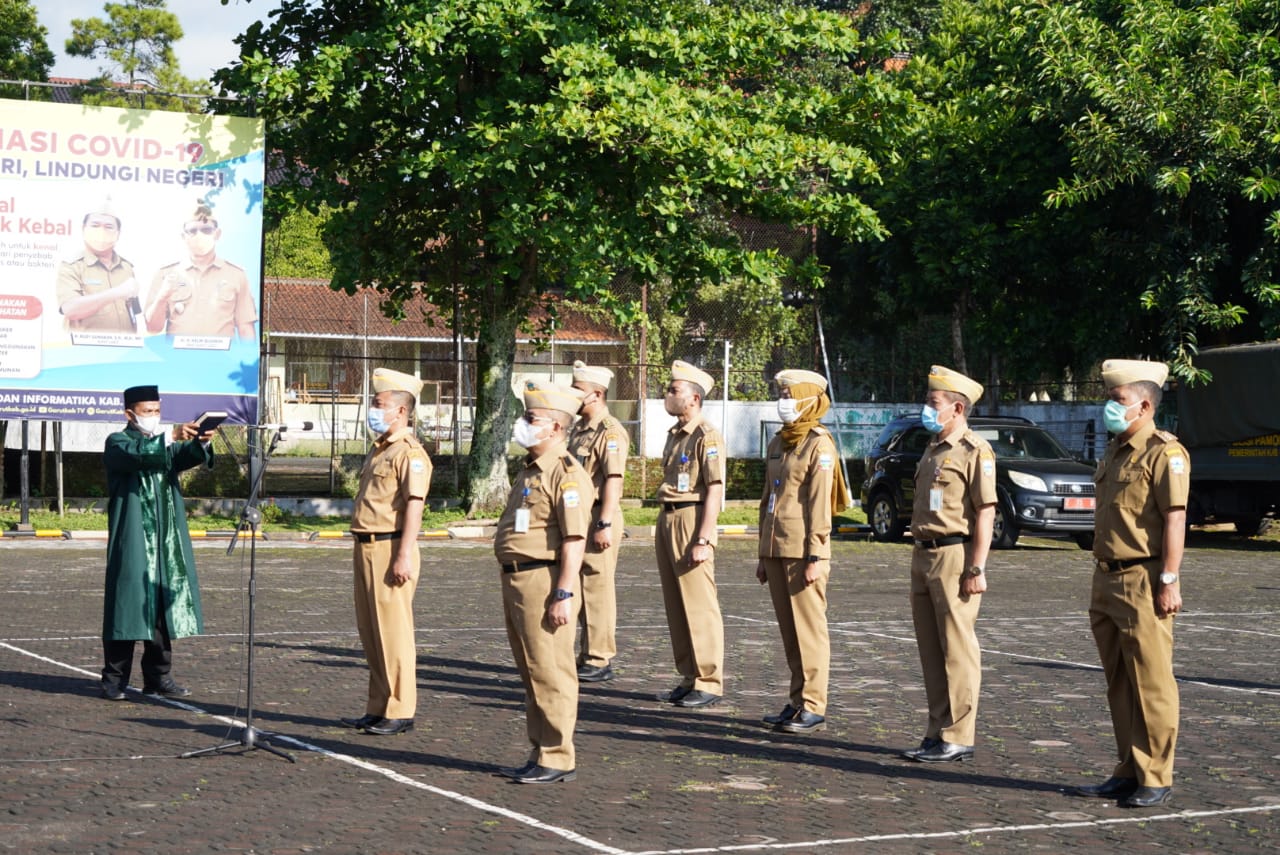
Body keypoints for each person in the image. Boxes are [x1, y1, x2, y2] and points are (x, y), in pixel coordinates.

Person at [1073, 359, 1188, 808]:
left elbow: (1175, 520)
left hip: (1144, 577)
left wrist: (1169, 579)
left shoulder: (1165, 452)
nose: (1109, 407)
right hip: (1106, 577)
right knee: (1119, 681)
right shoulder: (1115, 451)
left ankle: (1156, 774)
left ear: (1143, 405)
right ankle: (1128, 767)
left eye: (1117, 400)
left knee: (1152, 681)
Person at [494, 380, 593, 784]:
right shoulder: (532, 471)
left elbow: (574, 539)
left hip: (544, 580)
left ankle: (557, 755)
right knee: (531, 670)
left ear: (554, 428)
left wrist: (563, 593)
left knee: (551, 670)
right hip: (518, 579)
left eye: (531, 418)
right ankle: (540, 749)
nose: (523, 424)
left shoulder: (566, 474)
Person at [901, 365, 996, 763]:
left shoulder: (975, 451)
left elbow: (986, 511)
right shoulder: (933, 447)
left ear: (957, 408)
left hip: (955, 555)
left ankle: (959, 734)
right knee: (930, 649)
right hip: (923, 553)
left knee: (957, 650)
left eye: (933, 402)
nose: (927, 407)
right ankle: (936, 730)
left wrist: (977, 568)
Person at [100, 385, 215, 700]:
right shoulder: (118, 443)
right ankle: (114, 679)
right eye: (148, 411)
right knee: (127, 608)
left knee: (162, 610)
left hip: (165, 541)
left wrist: (200, 441)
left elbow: (184, 456)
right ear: (130, 414)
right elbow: (138, 456)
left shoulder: (164, 446)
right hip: (133, 538)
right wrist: (172, 436)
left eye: (157, 410)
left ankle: (158, 676)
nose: (154, 416)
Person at [339, 368, 432, 736]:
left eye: (380, 405)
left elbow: (414, 506)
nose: (373, 411)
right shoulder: (382, 449)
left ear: (401, 412)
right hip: (366, 545)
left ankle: (400, 708)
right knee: (371, 632)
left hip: (391, 545)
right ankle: (378, 705)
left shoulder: (411, 454)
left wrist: (404, 555)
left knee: (393, 633)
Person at [756, 369, 849, 734]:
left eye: (790, 394)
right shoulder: (780, 441)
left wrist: (815, 556)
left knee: (809, 631)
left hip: (804, 552)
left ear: (810, 398)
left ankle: (813, 704)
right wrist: (763, 554)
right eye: (781, 394)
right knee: (790, 632)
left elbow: (819, 507)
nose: (783, 402)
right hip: (778, 550)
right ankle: (796, 700)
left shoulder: (818, 444)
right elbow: (768, 500)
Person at [654, 360, 726, 708]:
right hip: (667, 518)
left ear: (694, 398)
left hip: (691, 520)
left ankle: (709, 680)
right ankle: (689, 675)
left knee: (699, 604)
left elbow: (714, 488)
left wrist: (704, 538)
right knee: (676, 603)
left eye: (674, 390)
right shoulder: (675, 434)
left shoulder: (706, 436)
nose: (667, 394)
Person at [567, 360, 628, 683]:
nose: (572, 394)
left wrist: (604, 522)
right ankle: (585, 653)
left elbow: (613, 480)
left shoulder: (611, 432)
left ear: (597, 395)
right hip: (578, 517)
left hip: (597, 515)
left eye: (578, 390)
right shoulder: (578, 430)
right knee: (578, 586)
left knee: (597, 588)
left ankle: (599, 657)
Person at [145, 199, 257, 340]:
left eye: (206, 230)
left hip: (221, 360)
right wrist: (162, 297)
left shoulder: (236, 275)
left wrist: (247, 360)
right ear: (183, 236)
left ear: (217, 234)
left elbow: (245, 328)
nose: (199, 235)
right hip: (178, 360)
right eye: (192, 231)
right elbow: (152, 328)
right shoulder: (166, 274)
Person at [56, 199, 141, 334]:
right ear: (83, 230)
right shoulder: (71, 266)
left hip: (124, 349)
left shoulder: (126, 268)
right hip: (87, 350)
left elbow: (132, 313)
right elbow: (70, 309)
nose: (101, 231)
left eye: (109, 227)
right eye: (95, 225)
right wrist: (117, 292)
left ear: (118, 233)